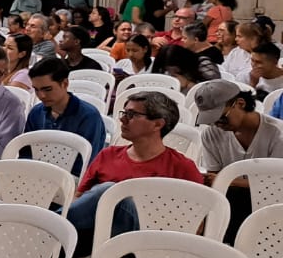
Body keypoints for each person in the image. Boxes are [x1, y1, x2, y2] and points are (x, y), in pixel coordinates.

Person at [65, 91, 202, 245]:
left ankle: (50, 227)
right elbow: (80, 197)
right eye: (124, 113)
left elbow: (197, 223)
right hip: (95, 236)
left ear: (157, 124)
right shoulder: (108, 155)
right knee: (62, 245)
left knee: (114, 193)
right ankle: (50, 233)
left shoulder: (182, 167)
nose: (122, 119)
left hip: (148, 240)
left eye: (131, 115)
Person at [192, 79, 283, 238]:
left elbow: (275, 184)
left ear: (240, 103)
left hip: (272, 200)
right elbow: (215, 179)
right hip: (232, 199)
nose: (217, 124)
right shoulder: (212, 133)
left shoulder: (277, 133)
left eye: (221, 118)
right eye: (211, 121)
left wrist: (229, 180)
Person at [23, 57, 107, 173]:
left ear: (65, 83)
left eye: (47, 89)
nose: (41, 95)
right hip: (36, 173)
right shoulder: (36, 113)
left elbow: (87, 162)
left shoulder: (89, 116)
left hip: (73, 178)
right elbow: (26, 151)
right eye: (36, 90)